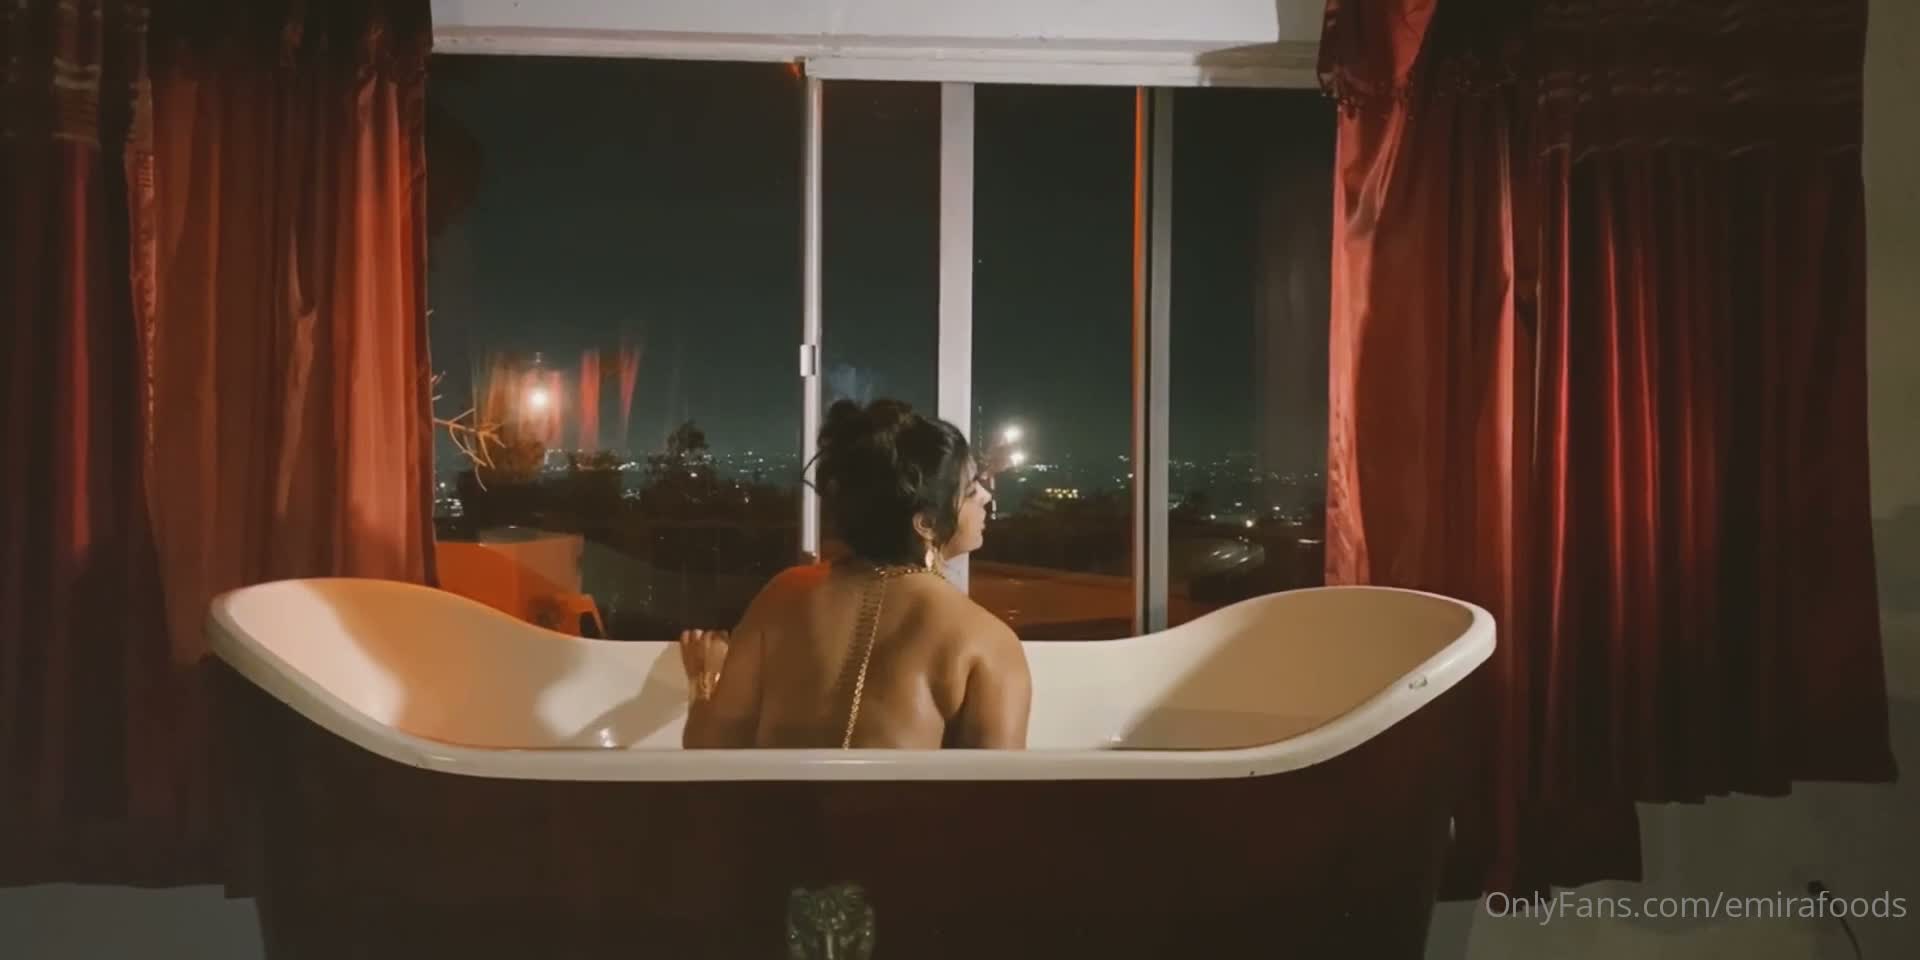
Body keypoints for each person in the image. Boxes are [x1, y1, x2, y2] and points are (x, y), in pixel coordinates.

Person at [679, 398, 1031, 749]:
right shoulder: (985, 641)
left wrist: (704, 679)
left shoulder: (782, 597)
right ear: (925, 523)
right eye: (970, 492)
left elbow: (709, 754)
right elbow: (997, 786)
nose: (985, 498)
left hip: (783, 791)